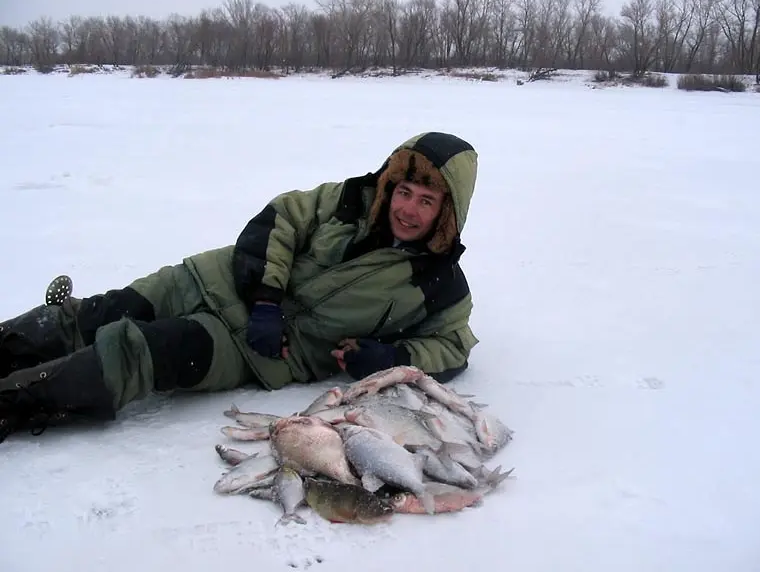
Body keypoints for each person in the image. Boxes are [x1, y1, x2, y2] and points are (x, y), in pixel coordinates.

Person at [0, 131, 480, 443]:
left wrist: (389, 360)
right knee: (106, 311)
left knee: (144, 350)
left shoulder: (440, 285)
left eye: (426, 199)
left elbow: (453, 346)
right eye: (403, 192)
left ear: (447, 211)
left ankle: (13, 402)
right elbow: (280, 220)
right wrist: (266, 298)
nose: (408, 210)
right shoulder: (347, 200)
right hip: (214, 278)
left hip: (255, 349)